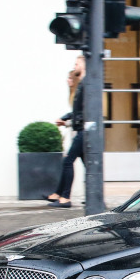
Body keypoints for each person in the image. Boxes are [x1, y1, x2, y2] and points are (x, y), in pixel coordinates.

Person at [46, 54, 86, 208]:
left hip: (84, 131)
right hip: (82, 129)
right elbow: (77, 111)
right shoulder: (83, 84)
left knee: (68, 161)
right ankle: (61, 194)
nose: (75, 66)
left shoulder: (86, 84)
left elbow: (84, 111)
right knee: (87, 166)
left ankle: (65, 198)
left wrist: (74, 121)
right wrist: (66, 119)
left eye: (77, 63)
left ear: (83, 64)